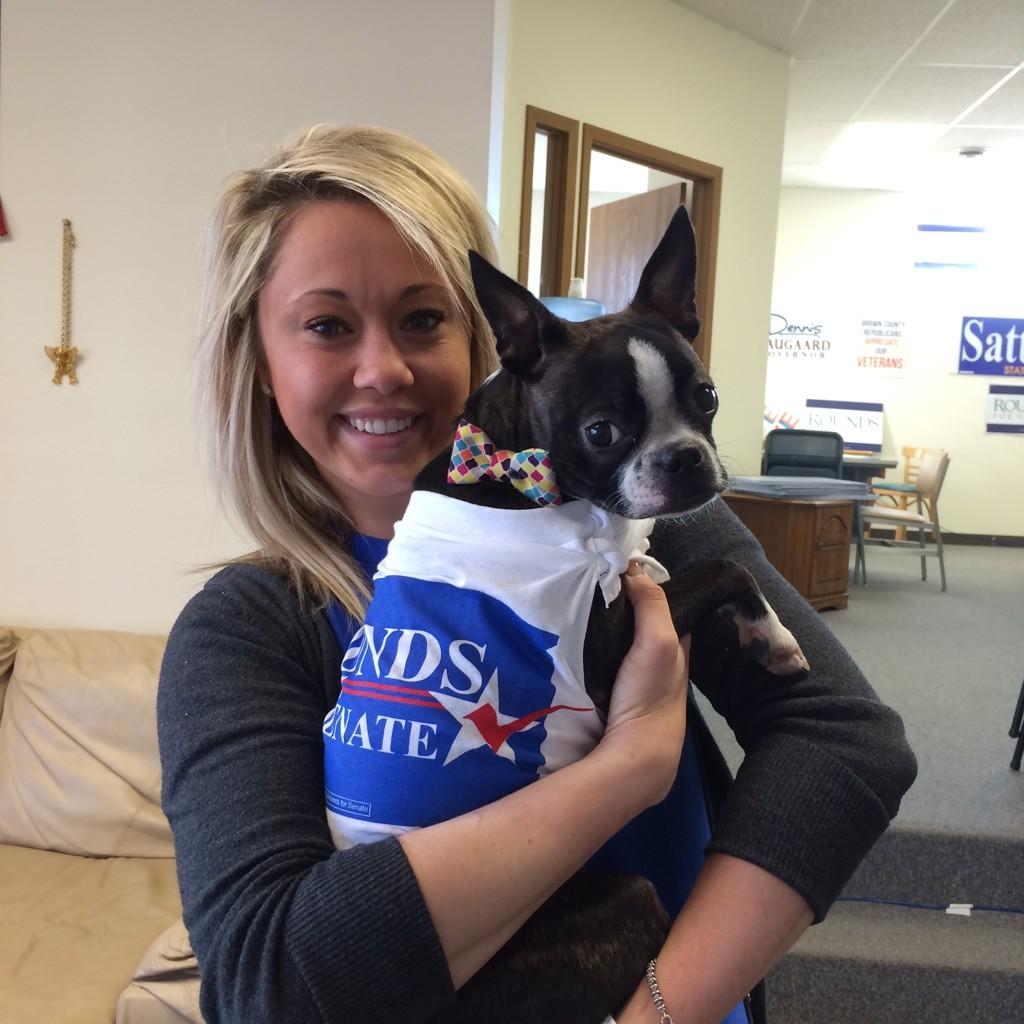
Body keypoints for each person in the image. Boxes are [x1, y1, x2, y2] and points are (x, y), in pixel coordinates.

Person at [157, 123, 917, 1024]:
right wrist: (627, 768)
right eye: (326, 326)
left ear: (487, 333)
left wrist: (660, 1013)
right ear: (261, 364)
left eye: (423, 318)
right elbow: (265, 988)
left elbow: (847, 741)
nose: (384, 369)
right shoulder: (252, 624)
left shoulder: (627, 514)